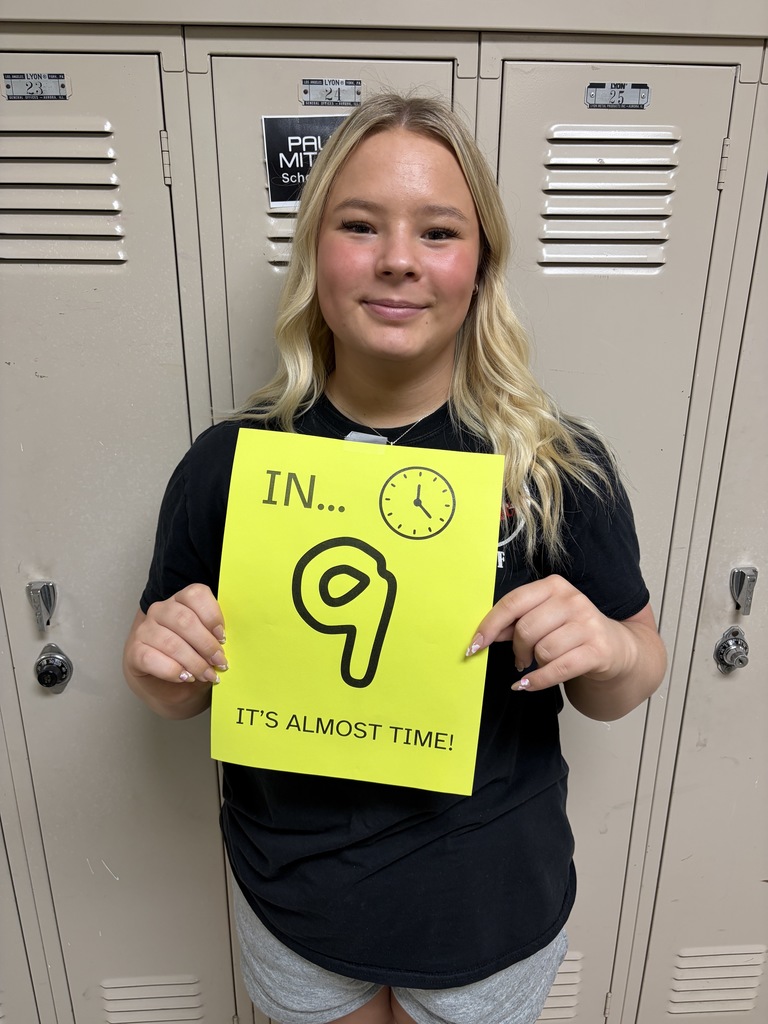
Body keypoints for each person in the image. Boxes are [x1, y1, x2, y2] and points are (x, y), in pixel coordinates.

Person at [123, 93, 666, 1024]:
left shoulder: (552, 465)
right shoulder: (230, 463)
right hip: (295, 899)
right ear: (316, 252)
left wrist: (612, 651)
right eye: (361, 225)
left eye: (440, 231)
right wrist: (160, 665)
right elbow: (181, 684)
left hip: (489, 909)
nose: (399, 260)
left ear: (480, 264)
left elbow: (626, 676)